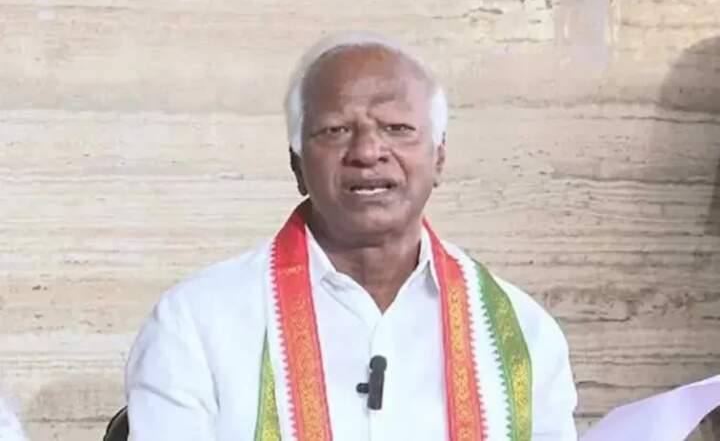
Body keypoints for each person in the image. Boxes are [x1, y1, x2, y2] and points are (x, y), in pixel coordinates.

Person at [125, 32, 577, 441]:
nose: (367, 152)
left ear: (438, 158)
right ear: (297, 165)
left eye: (397, 128)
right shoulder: (195, 323)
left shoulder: (523, 334)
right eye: (336, 130)